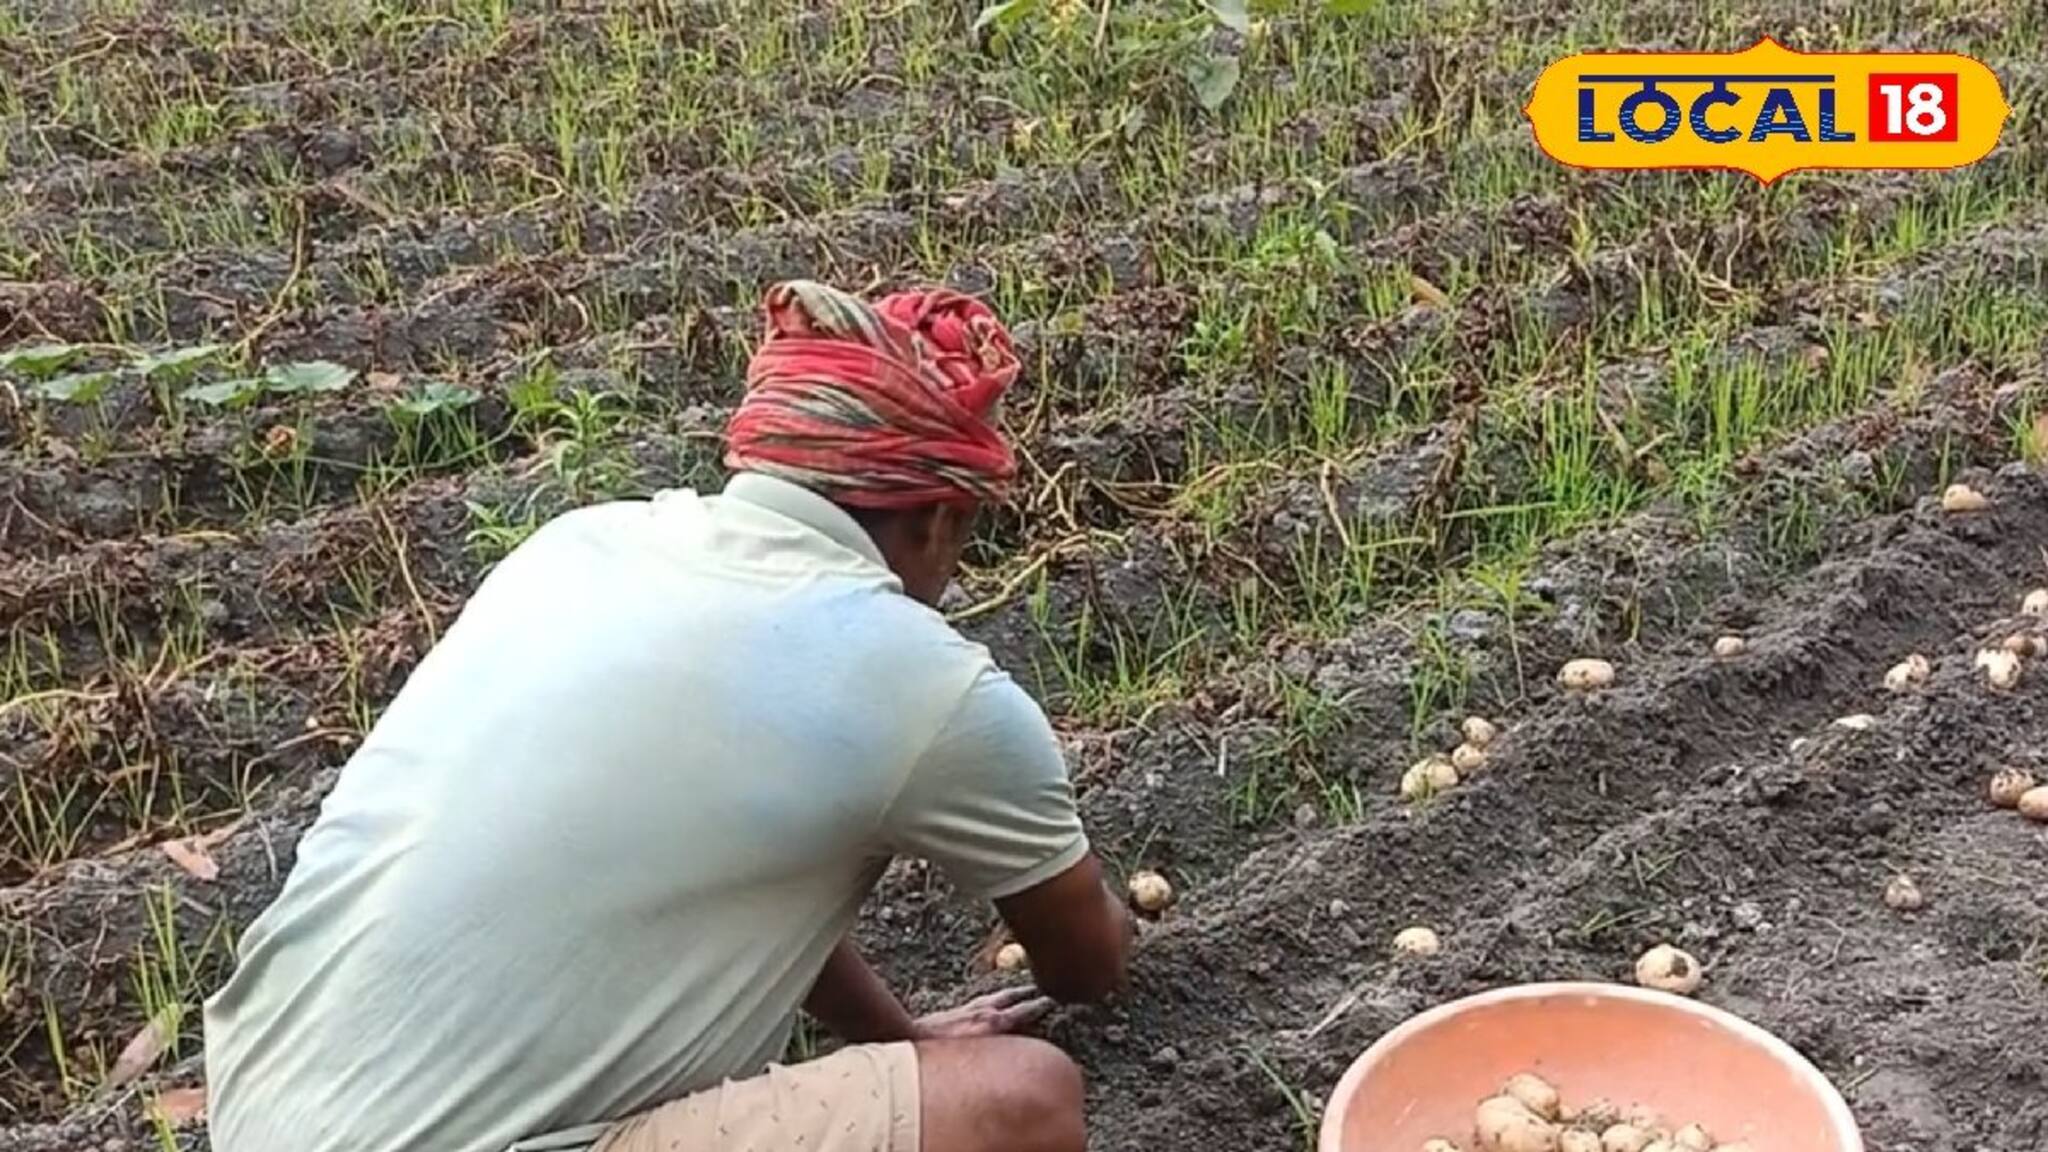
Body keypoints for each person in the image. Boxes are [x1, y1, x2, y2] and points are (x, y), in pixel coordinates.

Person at [203, 280, 1135, 1152]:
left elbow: (722, 871)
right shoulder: (927, 683)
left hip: (259, 1100)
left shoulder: (579, 546)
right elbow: (1083, 969)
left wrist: (897, 1039)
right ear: (936, 519)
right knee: (1024, 1100)